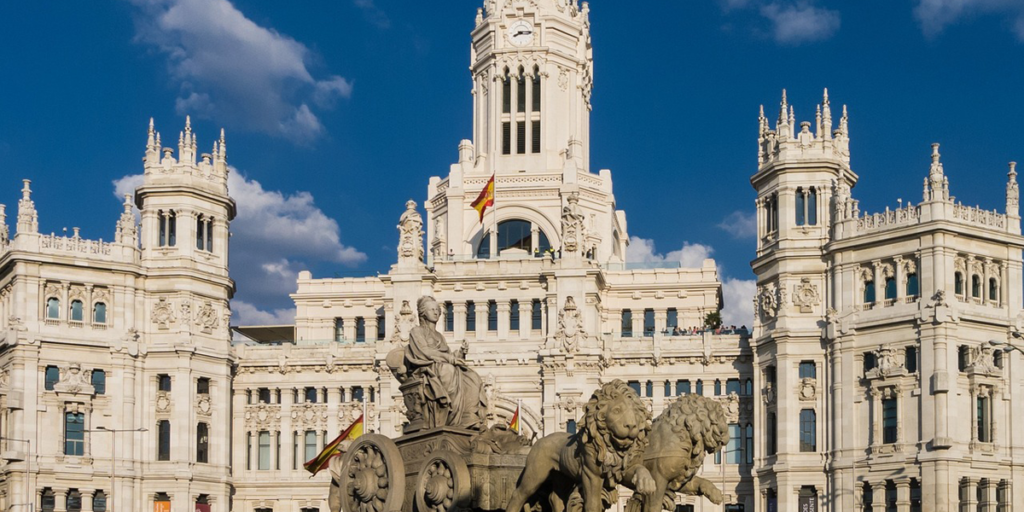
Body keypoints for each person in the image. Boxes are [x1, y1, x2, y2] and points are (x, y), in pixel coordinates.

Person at [404, 296, 487, 430]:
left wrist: (460, 353)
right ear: (423, 313)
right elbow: (425, 352)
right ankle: (452, 418)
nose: (436, 312)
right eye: (432, 309)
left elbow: (448, 355)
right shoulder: (416, 331)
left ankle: (468, 417)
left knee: (472, 377)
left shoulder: (439, 336)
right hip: (428, 368)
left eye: (437, 309)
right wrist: (451, 359)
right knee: (448, 370)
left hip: (442, 365)